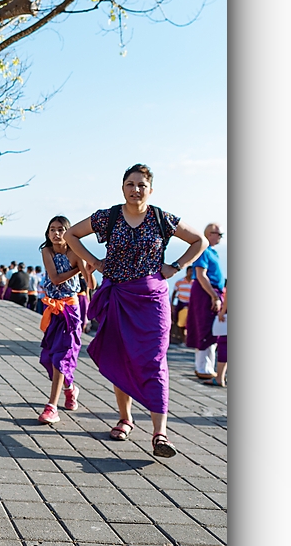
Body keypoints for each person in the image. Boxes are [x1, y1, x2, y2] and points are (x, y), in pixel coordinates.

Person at [65, 164, 206, 458]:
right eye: (130, 184)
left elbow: (199, 241)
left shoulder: (162, 218)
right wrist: (96, 262)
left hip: (152, 299)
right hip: (119, 296)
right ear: (122, 188)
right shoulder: (108, 217)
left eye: (141, 185)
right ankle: (125, 418)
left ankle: (160, 433)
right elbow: (71, 235)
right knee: (121, 356)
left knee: (154, 360)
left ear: (150, 190)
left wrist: (175, 266)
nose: (135, 189)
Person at [37, 217, 93, 425]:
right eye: (52, 229)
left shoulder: (76, 253)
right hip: (53, 309)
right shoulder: (47, 251)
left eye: (61, 229)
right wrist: (78, 269)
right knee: (49, 356)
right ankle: (70, 389)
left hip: (71, 309)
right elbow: (55, 278)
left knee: (62, 356)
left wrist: (86, 267)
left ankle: (51, 407)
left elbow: (90, 284)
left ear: (68, 232)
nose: (56, 233)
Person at [186, 224, 225, 379]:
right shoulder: (203, 250)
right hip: (206, 293)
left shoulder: (213, 252)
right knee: (205, 329)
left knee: (212, 330)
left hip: (211, 292)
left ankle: (207, 367)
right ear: (209, 234)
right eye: (219, 234)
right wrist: (214, 296)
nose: (221, 237)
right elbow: (201, 275)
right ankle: (203, 368)